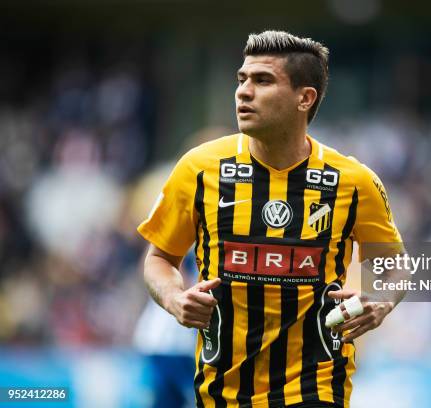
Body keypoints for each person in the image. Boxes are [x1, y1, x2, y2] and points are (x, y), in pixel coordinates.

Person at [138, 30, 403, 408]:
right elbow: (159, 258)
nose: (244, 92)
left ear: (304, 98)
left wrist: (380, 300)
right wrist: (174, 297)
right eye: (242, 80)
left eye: (263, 81)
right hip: (220, 392)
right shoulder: (199, 169)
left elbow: (394, 265)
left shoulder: (353, 181)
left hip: (316, 387)